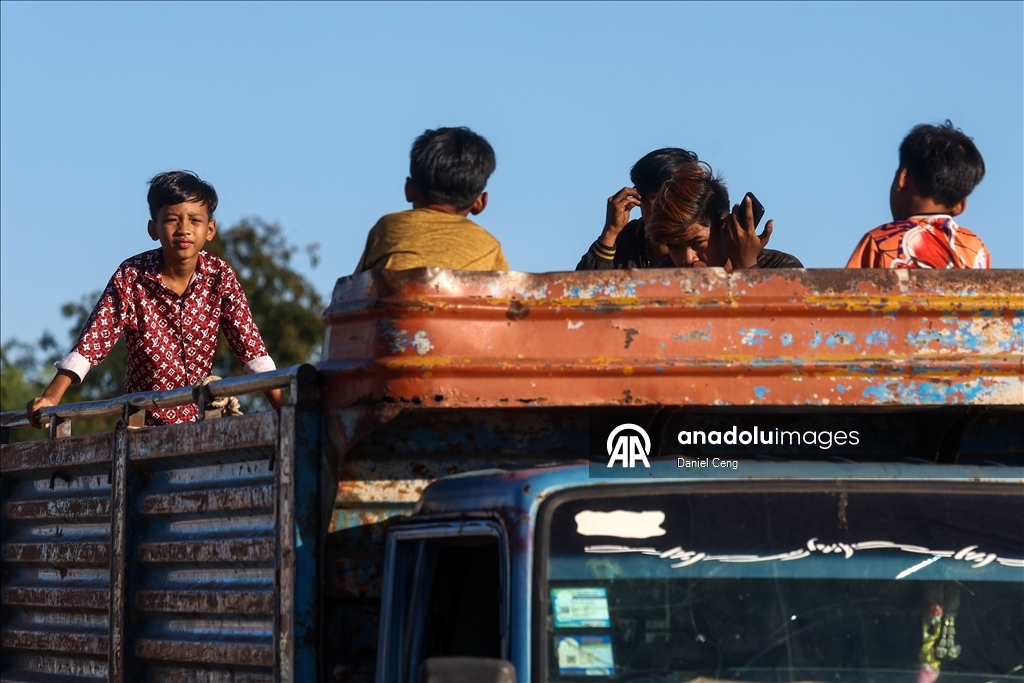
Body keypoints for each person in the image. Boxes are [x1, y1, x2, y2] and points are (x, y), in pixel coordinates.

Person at [27, 171, 284, 427]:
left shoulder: (220, 277)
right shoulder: (132, 276)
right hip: (142, 426)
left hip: (201, 424)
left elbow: (250, 349)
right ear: (153, 228)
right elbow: (94, 340)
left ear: (210, 229)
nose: (184, 230)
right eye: (172, 220)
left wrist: (286, 410)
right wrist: (52, 396)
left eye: (195, 220)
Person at [355, 126, 509, 272]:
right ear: (480, 202)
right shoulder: (489, 245)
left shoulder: (386, 227)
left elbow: (352, 292)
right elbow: (509, 296)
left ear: (410, 189)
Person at [846, 121, 988, 269]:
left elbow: (846, 290)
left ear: (903, 178)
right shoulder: (976, 248)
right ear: (960, 206)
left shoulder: (880, 241)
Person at [645, 161, 803, 269]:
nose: (687, 259)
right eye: (674, 247)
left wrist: (745, 267)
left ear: (725, 228)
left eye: (697, 243)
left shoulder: (781, 269)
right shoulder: (668, 277)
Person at [576, 147, 698, 270]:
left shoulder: (709, 239)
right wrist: (610, 231)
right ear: (638, 197)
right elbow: (585, 286)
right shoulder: (624, 241)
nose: (671, 206)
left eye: (679, 196)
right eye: (658, 198)